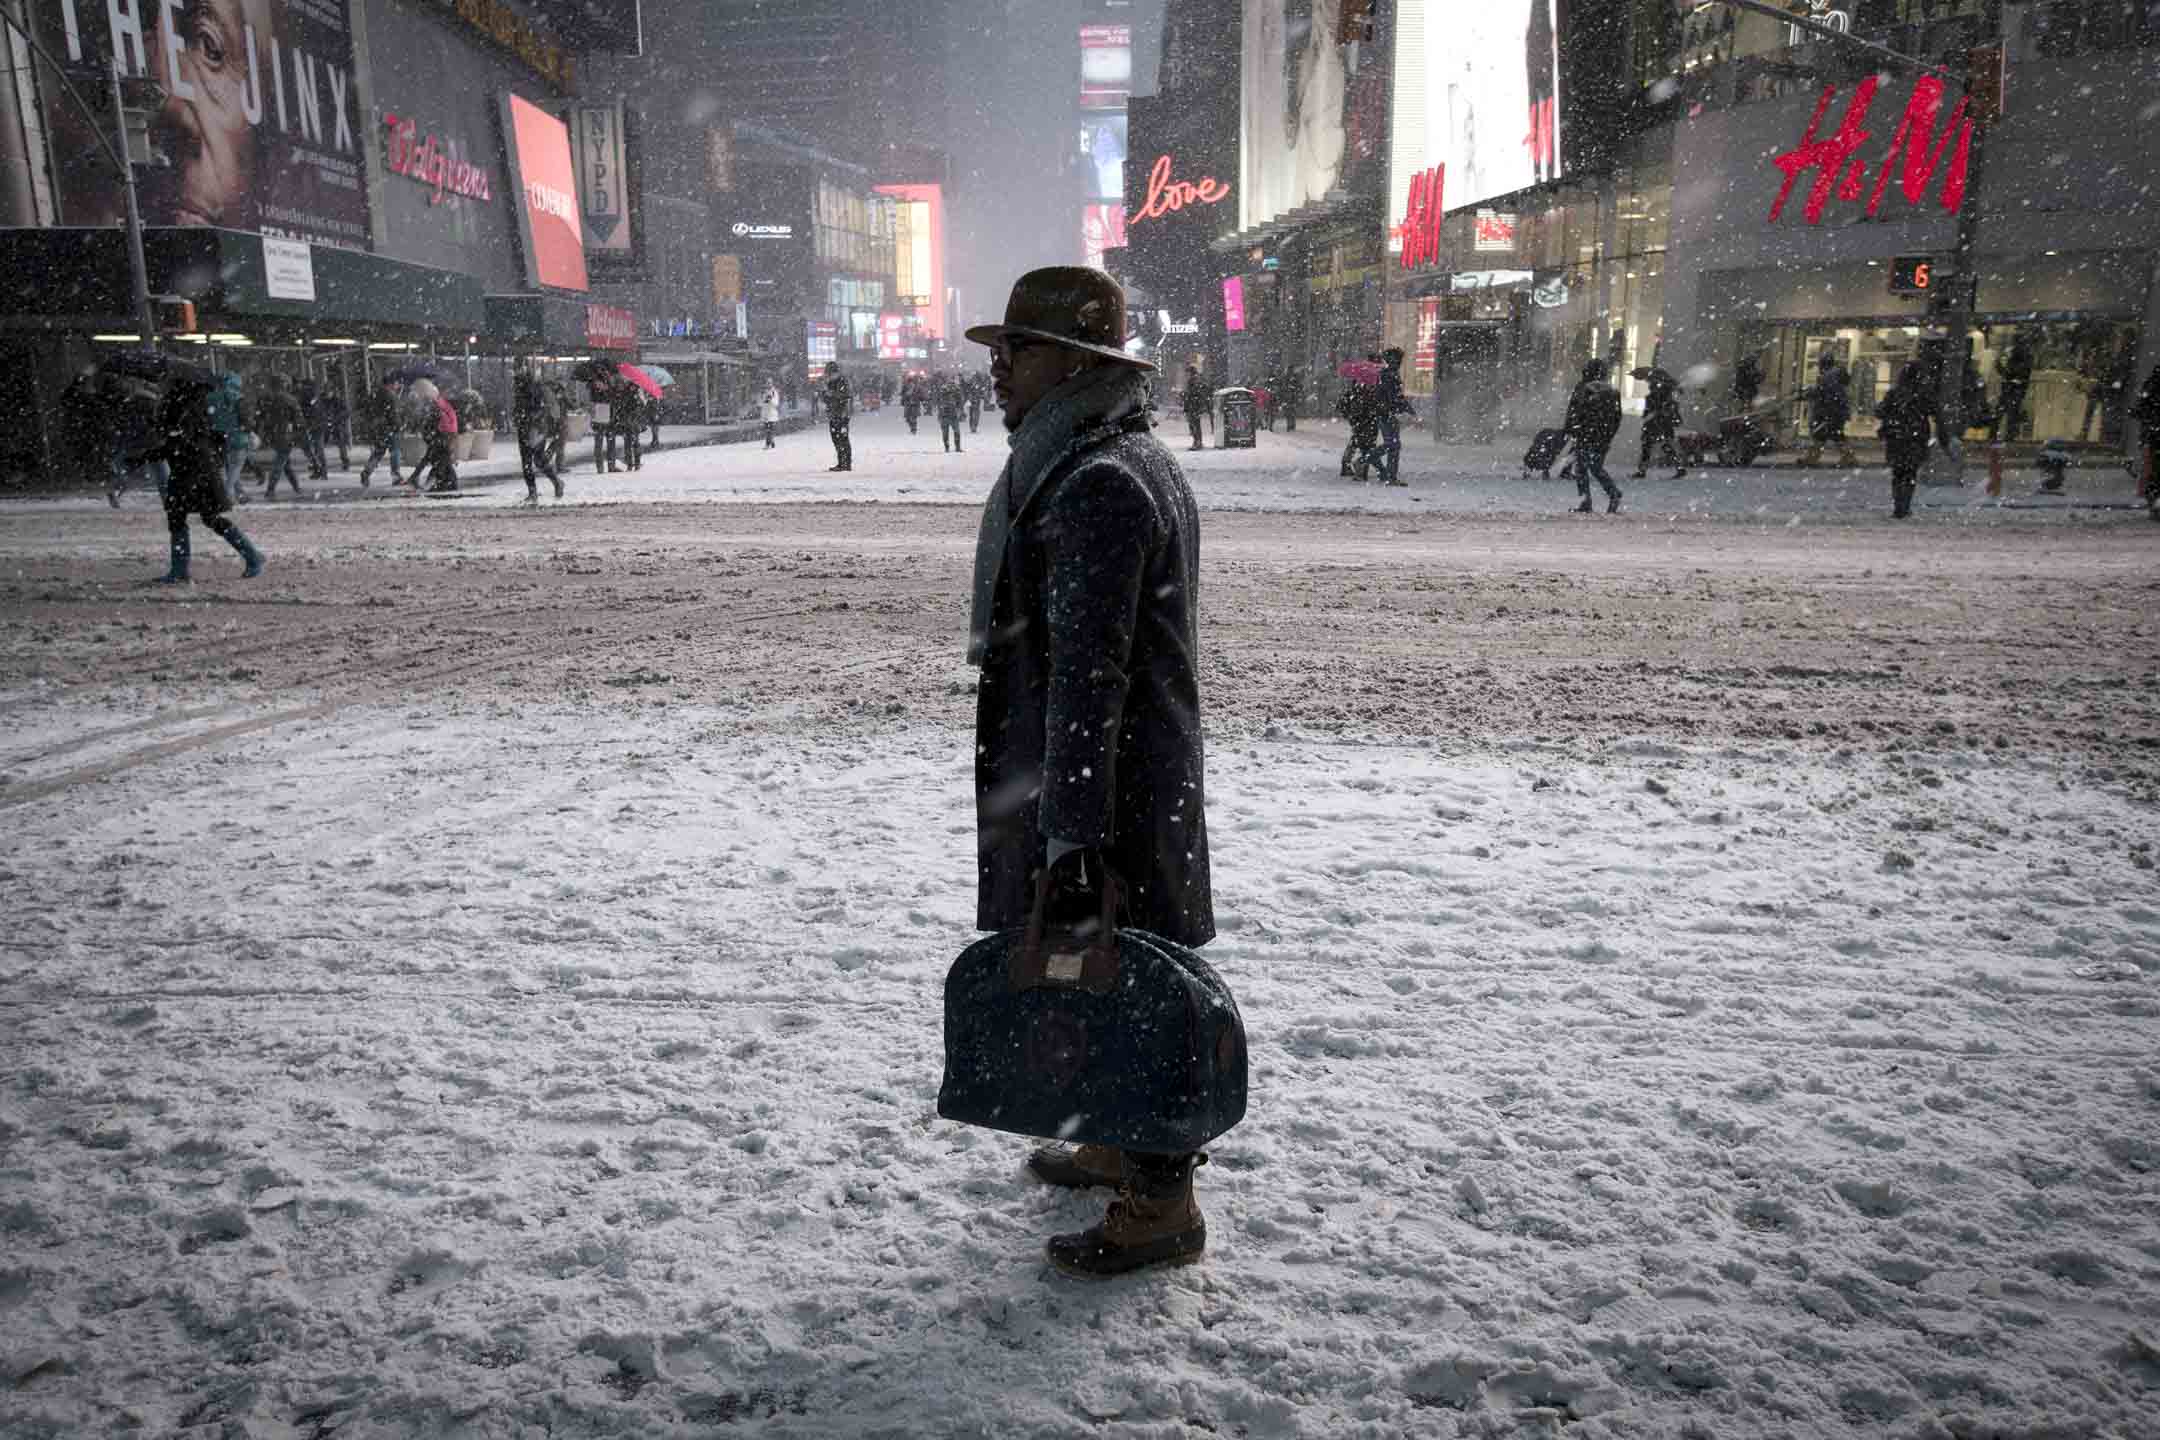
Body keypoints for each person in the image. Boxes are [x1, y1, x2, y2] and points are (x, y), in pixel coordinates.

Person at [963, 265, 1214, 1278]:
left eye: (1014, 351)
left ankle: (1163, 1200)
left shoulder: (1098, 480)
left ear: (1073, 361)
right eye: (997, 352)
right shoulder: (1108, 457)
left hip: (1107, 791)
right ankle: (1122, 1139)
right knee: (1114, 973)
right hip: (1133, 780)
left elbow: (1088, 680)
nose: (997, 371)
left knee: (1133, 974)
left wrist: (1072, 838)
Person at [153, 369, 263, 583]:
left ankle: (181, 569)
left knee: (191, 518)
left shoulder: (180, 407)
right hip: (195, 470)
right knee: (198, 518)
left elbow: (183, 441)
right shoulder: (192, 405)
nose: (163, 384)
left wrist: (158, 445)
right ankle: (250, 555)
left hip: (193, 471)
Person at [1562, 358, 1624, 514]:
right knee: (1593, 467)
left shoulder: (1583, 388)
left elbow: (1574, 410)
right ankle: (1609, 494)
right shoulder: (1611, 391)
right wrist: (1609, 433)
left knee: (1584, 468)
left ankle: (1592, 499)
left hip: (1585, 433)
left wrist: (1570, 428)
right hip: (1601, 435)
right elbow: (1617, 416)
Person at [1876, 361, 1937, 520]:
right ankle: (1905, 506)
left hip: (1897, 437)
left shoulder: (1894, 393)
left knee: (1898, 473)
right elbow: (1935, 412)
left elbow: (1881, 411)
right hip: (1915, 438)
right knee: (1910, 474)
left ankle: (1898, 507)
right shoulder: (1923, 394)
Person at [513, 358, 563, 501]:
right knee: (528, 461)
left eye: (520, 368)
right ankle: (534, 491)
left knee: (537, 460)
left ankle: (554, 483)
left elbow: (543, 407)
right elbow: (520, 406)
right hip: (527, 426)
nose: (518, 372)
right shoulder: (520, 385)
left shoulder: (536, 386)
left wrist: (532, 418)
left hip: (535, 427)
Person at [1634, 364, 1688, 479]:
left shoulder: (1655, 396)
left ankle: (1642, 471)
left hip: (1655, 423)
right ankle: (1679, 468)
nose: (1649, 384)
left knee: (1649, 446)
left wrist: (1648, 413)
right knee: (1665, 446)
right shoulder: (1665, 395)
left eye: (1650, 382)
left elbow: (1650, 410)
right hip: (1662, 423)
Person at [1801, 352, 1854, 467]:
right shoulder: (1835, 375)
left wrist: (1808, 393)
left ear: (1823, 364)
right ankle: (1813, 458)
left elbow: (1823, 392)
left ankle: (1813, 459)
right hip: (1836, 411)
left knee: (1825, 435)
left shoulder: (1828, 376)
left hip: (1830, 412)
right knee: (1829, 435)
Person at [255, 374, 302, 497]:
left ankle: (296, 486)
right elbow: (299, 420)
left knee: (285, 462)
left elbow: (260, 416)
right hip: (285, 435)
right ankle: (270, 489)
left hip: (272, 435)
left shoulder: (266, 398)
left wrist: (264, 431)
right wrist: (297, 433)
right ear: (284, 384)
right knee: (280, 462)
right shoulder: (290, 399)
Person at [210, 373, 253, 508]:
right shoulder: (238, 398)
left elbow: (207, 416)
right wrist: (250, 429)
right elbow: (245, 419)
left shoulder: (210, 397)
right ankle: (226, 496)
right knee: (236, 466)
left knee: (228, 467)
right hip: (237, 436)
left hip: (217, 436)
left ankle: (241, 494)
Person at [1376, 347, 1416, 486]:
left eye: (1398, 360)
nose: (1397, 362)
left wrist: (1407, 409)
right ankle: (1364, 461)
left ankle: (1390, 476)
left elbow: (1397, 397)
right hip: (1387, 414)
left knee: (1393, 445)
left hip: (1388, 413)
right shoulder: (1388, 375)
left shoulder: (1390, 374)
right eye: (1395, 360)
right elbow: (1394, 397)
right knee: (1393, 444)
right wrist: (1405, 409)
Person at [357, 378, 404, 488]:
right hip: (390, 428)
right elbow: (394, 414)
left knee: (378, 452)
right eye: (396, 383)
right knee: (395, 451)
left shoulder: (375, 395)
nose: (397, 385)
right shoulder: (390, 396)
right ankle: (396, 476)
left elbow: (369, 412)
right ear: (390, 384)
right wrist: (398, 426)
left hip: (379, 429)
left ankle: (366, 472)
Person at [2134, 363, 2160, 519]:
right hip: (2155, 434)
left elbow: (2142, 406)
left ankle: (2155, 502)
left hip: (2154, 434)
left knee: (2154, 470)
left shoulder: (2153, 381)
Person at [423, 383, 460, 493]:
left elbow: (442, 421)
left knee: (441, 461)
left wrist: (436, 433)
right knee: (444, 460)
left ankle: (438, 483)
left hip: (444, 435)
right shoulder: (441, 403)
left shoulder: (438, 405)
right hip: (447, 434)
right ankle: (450, 483)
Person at [822, 363, 853, 472]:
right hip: (833, 415)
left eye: (829, 373)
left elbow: (846, 395)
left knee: (843, 439)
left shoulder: (843, 381)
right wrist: (825, 394)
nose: (828, 375)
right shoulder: (830, 383)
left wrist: (832, 394)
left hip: (842, 415)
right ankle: (841, 463)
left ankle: (846, 463)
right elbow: (826, 399)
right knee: (836, 439)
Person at [296, 376, 328, 480]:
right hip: (315, 425)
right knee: (316, 448)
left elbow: (310, 410)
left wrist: (307, 421)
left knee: (311, 448)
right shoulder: (313, 396)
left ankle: (319, 469)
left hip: (313, 425)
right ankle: (320, 470)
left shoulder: (308, 395)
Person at [614, 380, 644, 472]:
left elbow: (640, 410)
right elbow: (621, 408)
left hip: (633, 423)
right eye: (631, 386)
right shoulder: (626, 395)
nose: (632, 388)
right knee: (628, 444)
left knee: (635, 444)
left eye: (634, 387)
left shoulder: (637, 397)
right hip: (627, 423)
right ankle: (630, 464)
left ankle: (636, 463)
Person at [1180, 363, 1210, 451]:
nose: (1187, 374)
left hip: (1194, 406)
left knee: (1195, 425)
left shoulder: (1195, 380)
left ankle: (1198, 443)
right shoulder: (1193, 380)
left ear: (1191, 372)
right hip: (1193, 406)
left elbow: (1195, 393)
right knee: (1194, 425)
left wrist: (1185, 394)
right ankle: (1197, 442)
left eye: (1188, 372)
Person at [936, 370, 966, 453]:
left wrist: (961, 410)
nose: (950, 381)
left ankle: (954, 447)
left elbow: (960, 401)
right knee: (948, 432)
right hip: (947, 413)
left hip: (951, 414)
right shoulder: (944, 388)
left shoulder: (955, 388)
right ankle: (948, 447)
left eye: (951, 379)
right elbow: (939, 400)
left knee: (954, 432)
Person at [1732, 349, 1764, 414]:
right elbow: (1748, 378)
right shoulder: (1745, 366)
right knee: (1748, 395)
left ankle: (1746, 408)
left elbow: (1755, 376)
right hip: (1744, 388)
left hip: (1745, 388)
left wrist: (1760, 376)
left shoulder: (1750, 366)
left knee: (1750, 395)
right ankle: (1745, 409)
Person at [760, 379, 783, 449]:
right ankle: (771, 441)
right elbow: (760, 403)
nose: (768, 385)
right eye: (767, 383)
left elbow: (776, 403)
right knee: (767, 430)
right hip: (765, 414)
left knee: (769, 430)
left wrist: (771, 400)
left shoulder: (774, 392)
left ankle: (768, 444)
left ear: (772, 384)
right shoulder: (764, 392)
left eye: (769, 383)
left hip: (772, 414)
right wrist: (764, 401)